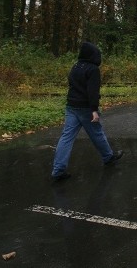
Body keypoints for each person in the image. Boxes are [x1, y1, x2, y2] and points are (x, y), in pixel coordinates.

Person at [51, 41, 123, 182]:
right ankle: (108, 157)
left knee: (66, 138)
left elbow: (72, 85)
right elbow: (92, 91)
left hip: (71, 106)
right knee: (97, 133)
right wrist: (94, 110)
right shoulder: (92, 69)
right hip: (86, 108)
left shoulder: (76, 66)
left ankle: (58, 170)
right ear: (93, 55)